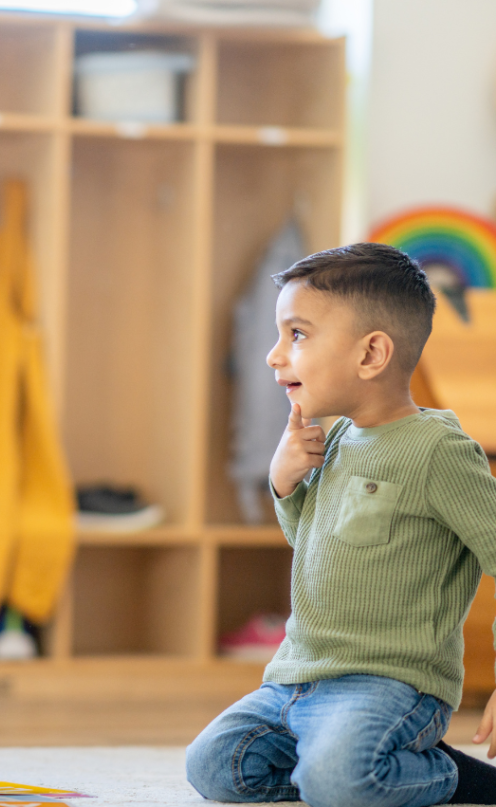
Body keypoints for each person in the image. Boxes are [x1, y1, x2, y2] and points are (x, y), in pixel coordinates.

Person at [186, 243, 496, 807]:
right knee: (213, 766)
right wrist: (284, 483)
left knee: (340, 784)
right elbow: (314, 545)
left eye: (296, 335)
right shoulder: (332, 440)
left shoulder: (440, 451)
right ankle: (362, 763)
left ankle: (448, 777)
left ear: (372, 354)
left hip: (389, 685)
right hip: (296, 676)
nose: (273, 356)